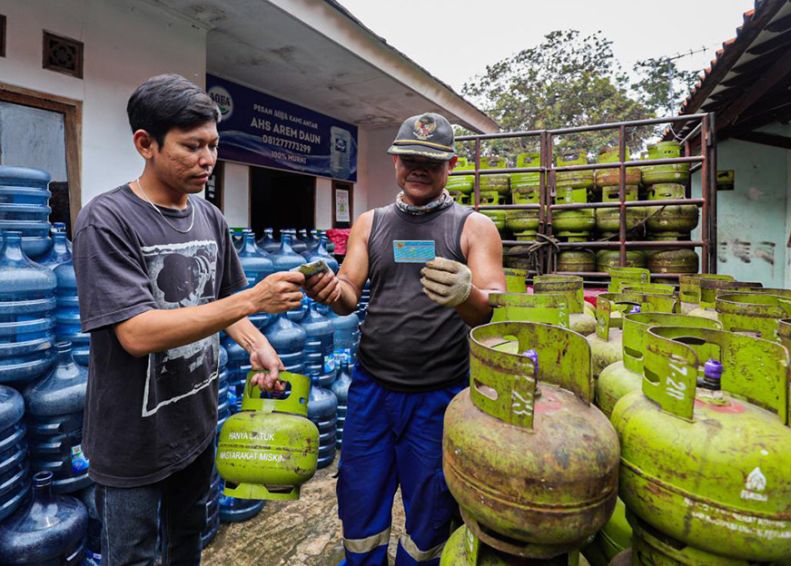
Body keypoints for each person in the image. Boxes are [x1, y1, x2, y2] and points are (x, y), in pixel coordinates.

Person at [73, 74, 304, 565]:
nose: (207, 159)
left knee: (187, 545)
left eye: (214, 145)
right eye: (192, 146)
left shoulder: (210, 217)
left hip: (196, 426)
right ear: (145, 144)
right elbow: (135, 334)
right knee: (133, 557)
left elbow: (221, 299)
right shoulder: (107, 220)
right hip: (132, 442)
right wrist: (252, 303)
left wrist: (254, 342)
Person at [305, 112, 505, 565]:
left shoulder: (474, 227)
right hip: (372, 390)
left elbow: (495, 305)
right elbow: (349, 292)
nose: (419, 168)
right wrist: (331, 291)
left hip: (439, 395)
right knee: (360, 493)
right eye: (410, 158)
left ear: (451, 165)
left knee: (432, 505)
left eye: (431, 162)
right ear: (395, 161)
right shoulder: (370, 223)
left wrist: (465, 294)